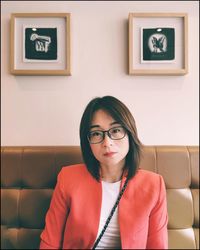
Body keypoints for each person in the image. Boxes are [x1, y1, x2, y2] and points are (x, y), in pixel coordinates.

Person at [40, 95, 168, 249]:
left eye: (116, 130)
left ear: (130, 133)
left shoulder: (154, 184)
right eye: (96, 133)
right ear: (87, 142)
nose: (107, 143)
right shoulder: (68, 178)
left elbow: (158, 246)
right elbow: (50, 242)